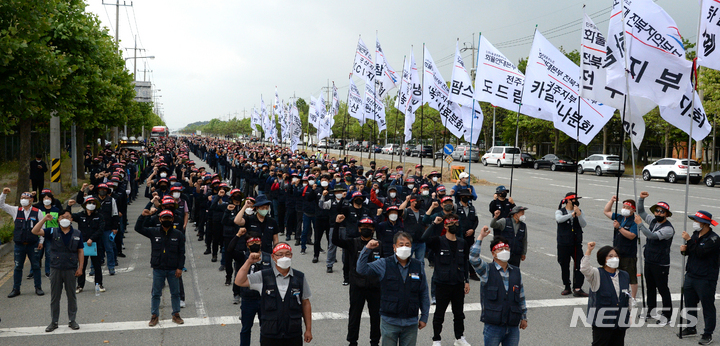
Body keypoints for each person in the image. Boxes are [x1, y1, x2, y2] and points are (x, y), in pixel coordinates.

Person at [356, 232, 430, 346]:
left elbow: (423, 291)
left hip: (411, 322)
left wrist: (424, 316)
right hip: (390, 321)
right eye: (401, 244)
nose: (404, 247)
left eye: (407, 244)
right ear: (394, 247)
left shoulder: (418, 265)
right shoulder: (384, 264)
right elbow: (361, 270)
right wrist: (367, 249)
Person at [235, 242, 313, 346]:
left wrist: (308, 329)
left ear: (291, 255)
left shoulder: (299, 277)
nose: (284, 257)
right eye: (280, 254)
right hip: (270, 335)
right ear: (273, 257)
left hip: (293, 334)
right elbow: (239, 281)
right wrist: (248, 262)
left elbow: (305, 303)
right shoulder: (263, 276)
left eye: (287, 254)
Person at [469, 228, 528, 346]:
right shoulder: (487, 270)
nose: (505, 251)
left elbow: (520, 296)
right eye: (501, 249)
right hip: (493, 325)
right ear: (493, 253)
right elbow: (473, 258)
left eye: (506, 248)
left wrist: (524, 317)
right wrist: (480, 237)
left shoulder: (515, 272)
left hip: (512, 326)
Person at [333, 216, 383, 346]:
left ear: (373, 229)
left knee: (376, 316)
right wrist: (337, 224)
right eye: (363, 227)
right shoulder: (352, 242)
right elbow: (335, 240)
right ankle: (352, 341)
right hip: (357, 285)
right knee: (355, 315)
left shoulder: (379, 244)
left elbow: (384, 265)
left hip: (375, 286)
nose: (366, 229)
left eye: (369, 227)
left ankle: (375, 341)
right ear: (359, 229)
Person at [31, 210, 84, 332]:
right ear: (58, 219)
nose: (65, 219)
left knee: (71, 296)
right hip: (56, 268)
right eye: (62, 217)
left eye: (68, 217)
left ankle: (72, 320)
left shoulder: (77, 233)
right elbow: (34, 231)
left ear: (71, 219)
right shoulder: (52, 231)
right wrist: (44, 219)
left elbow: (80, 250)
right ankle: (54, 321)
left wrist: (80, 267)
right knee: (55, 297)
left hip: (71, 268)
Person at [422, 214, 471, 346]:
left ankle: (459, 337)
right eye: (450, 224)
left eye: (456, 223)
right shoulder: (438, 241)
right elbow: (424, 238)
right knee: (439, 313)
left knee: (459, 313)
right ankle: (436, 339)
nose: (453, 226)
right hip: (442, 284)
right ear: (445, 226)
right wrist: (434, 224)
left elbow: (465, 263)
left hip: (458, 283)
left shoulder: (462, 243)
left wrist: (467, 281)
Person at [135, 209, 186, 326]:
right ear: (160, 220)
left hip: (173, 269)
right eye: (164, 218)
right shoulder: (154, 232)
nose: (166, 220)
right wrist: (142, 216)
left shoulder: (178, 234)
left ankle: (176, 314)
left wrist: (180, 268)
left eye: (169, 218)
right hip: (158, 268)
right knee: (156, 293)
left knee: (175, 293)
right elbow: (138, 228)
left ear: (172, 220)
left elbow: (181, 253)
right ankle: (154, 315)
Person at [678, 210, 720, 345]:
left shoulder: (714, 239)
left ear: (705, 223)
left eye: (697, 221)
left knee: (707, 306)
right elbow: (692, 252)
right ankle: (691, 327)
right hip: (691, 274)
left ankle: (708, 334)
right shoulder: (696, 234)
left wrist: (689, 240)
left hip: (706, 278)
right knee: (689, 303)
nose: (695, 223)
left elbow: (701, 252)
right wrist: (684, 250)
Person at [580, 242, 630, 346]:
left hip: (620, 320)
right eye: (610, 256)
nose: (614, 258)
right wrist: (589, 251)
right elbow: (584, 269)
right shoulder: (597, 274)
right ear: (604, 258)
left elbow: (627, 297)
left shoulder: (624, 275)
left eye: (616, 256)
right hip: (602, 320)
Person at [636, 191, 674, 324]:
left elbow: (652, 236)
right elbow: (640, 212)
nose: (658, 213)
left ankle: (667, 315)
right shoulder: (653, 220)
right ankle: (651, 311)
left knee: (662, 289)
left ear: (667, 214)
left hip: (661, 263)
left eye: (662, 212)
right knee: (650, 287)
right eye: (657, 211)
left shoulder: (668, 229)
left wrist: (640, 225)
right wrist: (641, 199)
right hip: (649, 260)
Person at [1, 188, 44, 297]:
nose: (23, 200)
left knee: (35, 266)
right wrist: (4, 194)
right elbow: (2, 205)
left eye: (26, 198)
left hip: (33, 244)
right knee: (18, 267)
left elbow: (42, 227)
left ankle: (38, 287)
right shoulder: (16, 210)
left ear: (31, 200)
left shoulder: (37, 211)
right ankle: (16, 289)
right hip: (19, 245)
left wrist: (41, 241)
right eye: (22, 198)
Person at [603, 196, 639, 298]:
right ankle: (617, 294)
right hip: (617, 252)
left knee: (631, 277)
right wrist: (612, 201)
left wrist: (619, 227)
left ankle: (633, 298)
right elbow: (606, 211)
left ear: (633, 209)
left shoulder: (634, 221)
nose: (625, 209)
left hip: (628, 253)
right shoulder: (619, 217)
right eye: (623, 206)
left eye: (627, 207)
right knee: (615, 274)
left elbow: (632, 236)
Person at [69, 197, 105, 293]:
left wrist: (92, 238)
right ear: (85, 205)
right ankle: (80, 285)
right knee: (82, 265)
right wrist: (69, 206)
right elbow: (69, 216)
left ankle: (99, 284)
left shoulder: (99, 216)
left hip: (95, 244)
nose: (91, 204)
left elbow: (101, 229)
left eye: (93, 203)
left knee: (97, 265)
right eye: (89, 203)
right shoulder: (81, 215)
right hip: (83, 245)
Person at [556, 192, 588, 297]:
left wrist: (578, 215)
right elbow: (559, 219)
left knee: (580, 265)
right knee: (564, 265)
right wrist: (571, 215)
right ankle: (567, 286)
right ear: (569, 200)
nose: (577, 201)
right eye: (575, 199)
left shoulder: (579, 211)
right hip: (563, 243)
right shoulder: (560, 211)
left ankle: (577, 287)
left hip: (576, 243)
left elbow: (583, 224)